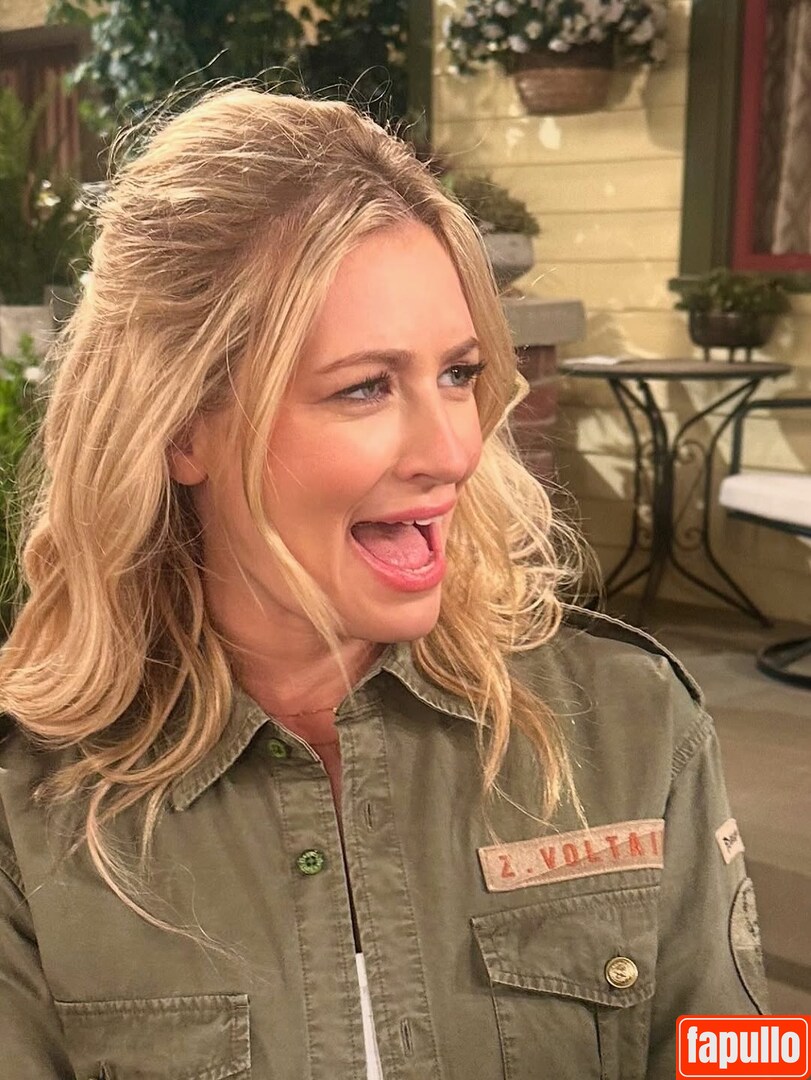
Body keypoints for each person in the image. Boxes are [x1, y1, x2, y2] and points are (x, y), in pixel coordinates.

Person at [0, 86, 767, 1080]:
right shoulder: (27, 808)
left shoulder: (636, 722)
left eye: (458, 374)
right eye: (364, 387)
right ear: (181, 428)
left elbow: (745, 1055)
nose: (453, 449)